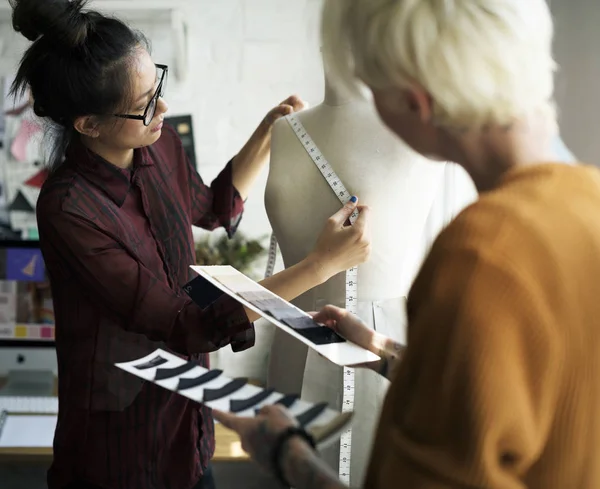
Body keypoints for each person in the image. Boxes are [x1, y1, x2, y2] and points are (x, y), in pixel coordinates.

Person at [215, 1, 600, 488]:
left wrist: (286, 454)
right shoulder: (588, 203)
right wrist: (387, 354)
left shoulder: (481, 256)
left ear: (415, 100)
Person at [8, 1, 371, 489]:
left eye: (156, 86)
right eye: (143, 104)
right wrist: (320, 265)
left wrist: (268, 132)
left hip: (189, 433)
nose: (161, 108)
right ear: (88, 124)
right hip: (118, 455)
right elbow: (188, 323)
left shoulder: (157, 145)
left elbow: (213, 204)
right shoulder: (69, 209)